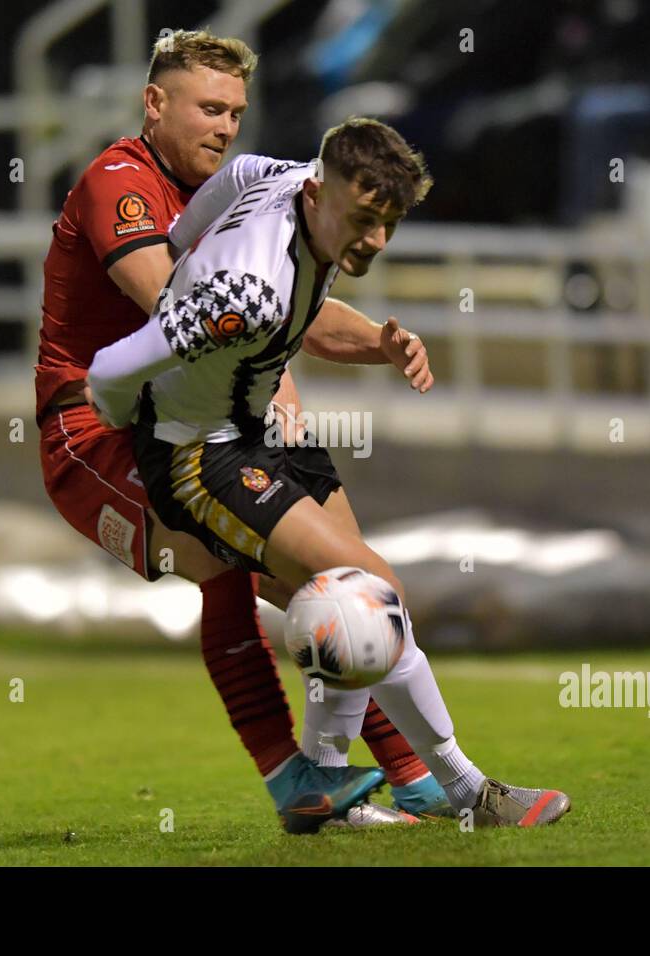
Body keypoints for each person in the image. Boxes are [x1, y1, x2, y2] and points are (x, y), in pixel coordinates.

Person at [87, 117, 572, 828]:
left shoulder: (272, 174)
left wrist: (377, 341)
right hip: (202, 453)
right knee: (365, 604)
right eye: (366, 218)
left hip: (262, 424)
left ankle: (327, 791)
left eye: (390, 222)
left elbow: (207, 212)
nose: (376, 239)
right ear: (319, 191)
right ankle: (469, 792)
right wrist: (134, 421)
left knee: (369, 601)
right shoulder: (244, 291)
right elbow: (111, 371)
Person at [35, 30, 447, 831]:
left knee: (340, 586)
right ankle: (298, 776)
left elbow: (286, 307)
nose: (225, 127)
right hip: (92, 432)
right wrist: (278, 372)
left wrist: (381, 343)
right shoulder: (118, 182)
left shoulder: (237, 193)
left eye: (236, 112)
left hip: (197, 419)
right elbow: (179, 311)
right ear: (155, 104)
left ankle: (402, 778)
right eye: (209, 108)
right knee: (225, 560)